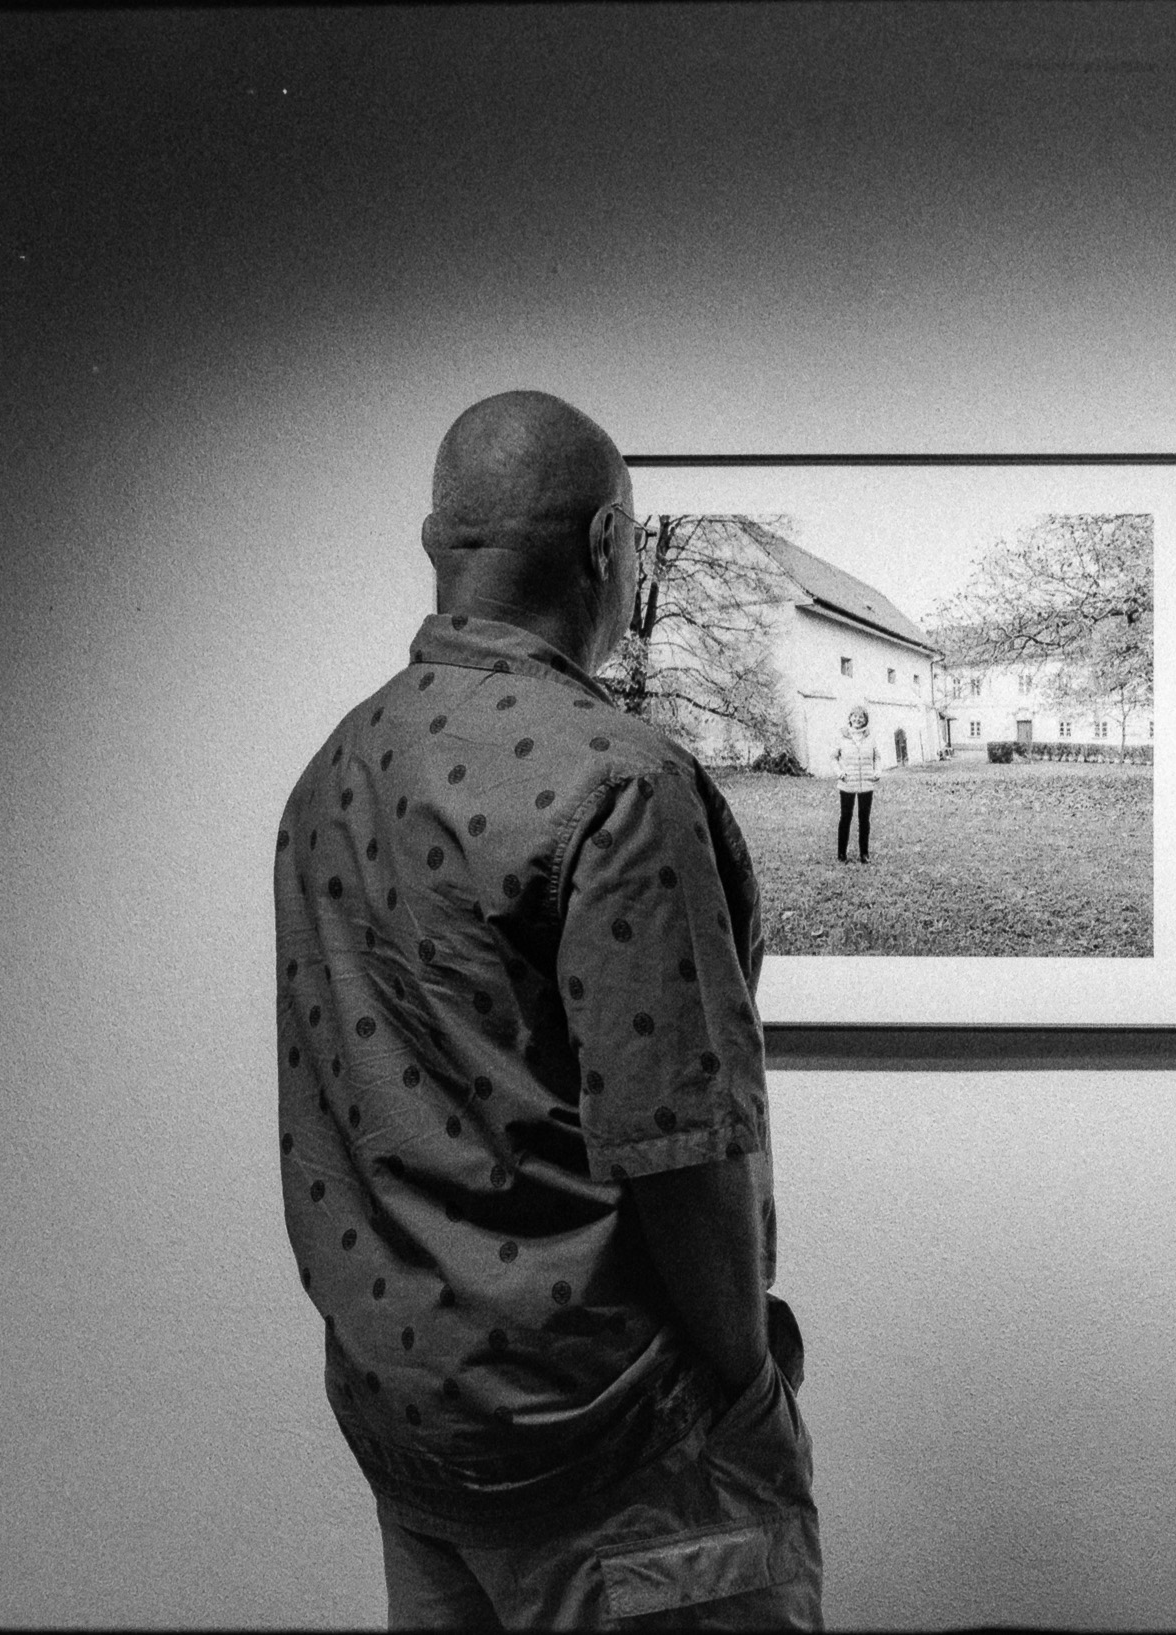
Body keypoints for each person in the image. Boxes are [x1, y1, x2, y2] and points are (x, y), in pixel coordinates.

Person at [274, 390, 821, 1628]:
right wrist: (748, 1399)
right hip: (618, 1453)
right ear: (606, 548)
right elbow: (683, 1152)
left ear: (438, 546)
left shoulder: (336, 768)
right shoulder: (620, 779)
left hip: (416, 1432)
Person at [831, 704, 879, 863]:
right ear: (850, 718)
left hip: (866, 783)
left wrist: (877, 772)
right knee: (846, 817)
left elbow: (877, 757)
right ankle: (841, 854)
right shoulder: (842, 736)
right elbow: (833, 757)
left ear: (865, 720)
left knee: (864, 819)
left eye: (861, 717)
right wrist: (839, 773)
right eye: (855, 716)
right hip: (848, 782)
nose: (857, 719)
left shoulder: (870, 737)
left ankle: (864, 854)